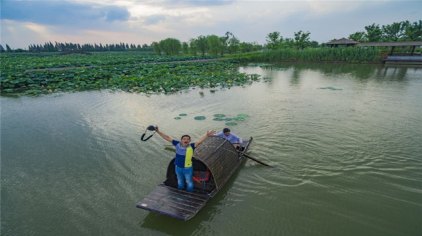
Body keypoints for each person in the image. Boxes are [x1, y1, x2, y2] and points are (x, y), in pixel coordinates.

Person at [155, 126, 215, 192]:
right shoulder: (177, 144)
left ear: (189, 141)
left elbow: (199, 142)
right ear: (181, 140)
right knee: (180, 180)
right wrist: (158, 131)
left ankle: (189, 192)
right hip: (178, 167)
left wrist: (206, 135)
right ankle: (180, 191)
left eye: (187, 139)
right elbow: (167, 137)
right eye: (184, 139)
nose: (186, 140)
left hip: (187, 168)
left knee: (189, 181)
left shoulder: (192, 146)